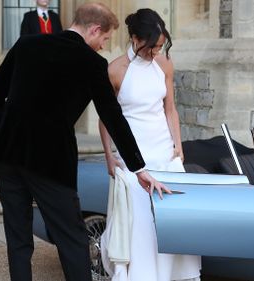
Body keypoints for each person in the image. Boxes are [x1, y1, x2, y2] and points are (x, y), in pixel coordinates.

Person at [0, 3, 169, 281]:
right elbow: (113, 116)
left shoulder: (26, 44)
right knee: (73, 238)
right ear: (94, 29)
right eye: (104, 39)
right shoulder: (92, 63)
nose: (103, 46)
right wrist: (139, 167)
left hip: (8, 155)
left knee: (18, 239)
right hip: (50, 161)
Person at [99, 8, 201, 281]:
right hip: (134, 156)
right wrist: (109, 157)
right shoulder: (115, 70)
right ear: (134, 38)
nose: (156, 52)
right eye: (151, 47)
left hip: (164, 151)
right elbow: (106, 118)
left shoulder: (165, 62)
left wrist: (178, 146)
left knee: (174, 218)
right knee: (142, 224)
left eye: (159, 46)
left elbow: (170, 109)